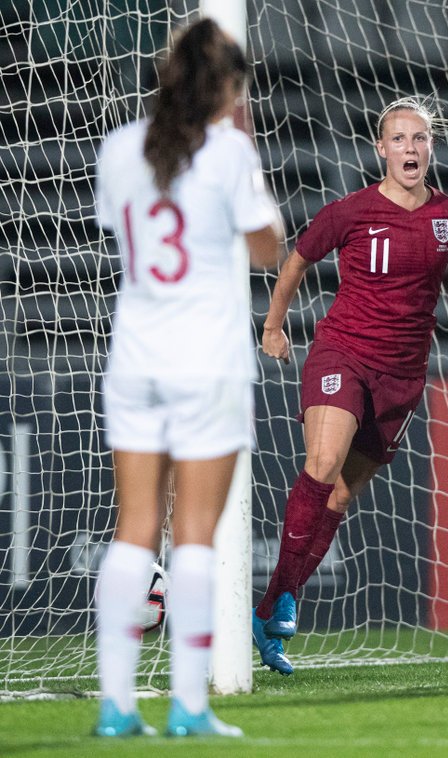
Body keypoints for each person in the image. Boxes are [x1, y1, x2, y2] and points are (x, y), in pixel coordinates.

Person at [251, 96, 448, 676]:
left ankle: (270, 608)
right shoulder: (351, 211)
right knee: (323, 461)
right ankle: (283, 601)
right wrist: (272, 325)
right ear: (381, 149)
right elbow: (294, 263)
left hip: (403, 375)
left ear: (430, 148)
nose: (410, 149)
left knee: (339, 496)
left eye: (420, 139)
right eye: (400, 139)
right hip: (342, 352)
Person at [92, 18, 283, 738]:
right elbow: (267, 249)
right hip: (208, 362)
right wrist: (245, 147)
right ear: (227, 90)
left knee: (134, 529)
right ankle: (190, 707)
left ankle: (115, 706)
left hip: (137, 359)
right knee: (194, 534)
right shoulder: (230, 151)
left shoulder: (119, 150)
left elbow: (126, 224)